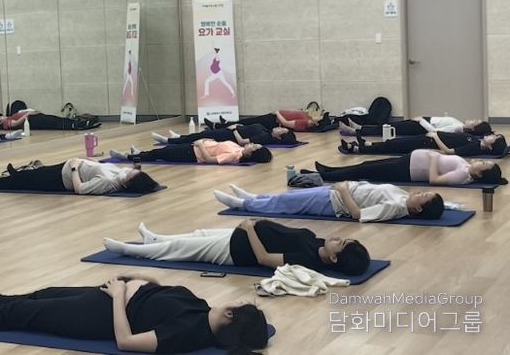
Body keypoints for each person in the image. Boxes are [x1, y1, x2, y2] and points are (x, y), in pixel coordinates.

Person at [0, 277, 269, 354]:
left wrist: (118, 296)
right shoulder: (201, 308)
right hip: (111, 295)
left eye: (235, 308)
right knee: (43, 294)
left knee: (24, 315)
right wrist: (142, 281)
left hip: (100, 315)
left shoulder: (186, 332)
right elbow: (162, 295)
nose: (231, 304)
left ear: (230, 317)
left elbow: (126, 341)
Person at [104, 219, 370, 275]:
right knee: (197, 233)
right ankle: (154, 238)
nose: (339, 238)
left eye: (342, 244)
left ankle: (129, 250)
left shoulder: (307, 259)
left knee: (181, 248)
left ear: (334, 259)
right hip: (241, 234)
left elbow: (264, 258)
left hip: (236, 251)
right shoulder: (319, 243)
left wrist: (251, 228)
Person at [213, 182, 445, 222]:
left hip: (333, 202)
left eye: (424, 196)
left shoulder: (395, 208)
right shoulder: (403, 197)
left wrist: (343, 190)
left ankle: (242, 205)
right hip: (337, 192)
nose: (421, 192)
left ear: (418, 208)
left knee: (286, 204)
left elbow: (359, 215)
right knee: (287, 197)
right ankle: (253, 197)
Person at [0, 157, 159, 195]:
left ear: (130, 181)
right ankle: (17, 174)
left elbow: (80, 189)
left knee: (23, 183)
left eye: (134, 172)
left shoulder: (109, 182)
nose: (131, 169)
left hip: (60, 179)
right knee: (33, 174)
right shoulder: (121, 174)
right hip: (64, 169)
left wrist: (75, 168)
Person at [313, 150, 506, 185]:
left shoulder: (462, 176)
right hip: (409, 161)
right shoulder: (465, 166)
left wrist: (433, 159)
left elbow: (434, 180)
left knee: (364, 171)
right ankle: (330, 171)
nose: (480, 161)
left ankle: (328, 176)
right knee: (366, 165)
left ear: (479, 174)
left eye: (483, 164)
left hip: (407, 171)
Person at [339, 132, 507, 157]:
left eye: (494, 138)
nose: (491, 135)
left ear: (490, 146)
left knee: (395, 146)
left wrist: (435, 137)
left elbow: (449, 151)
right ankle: (367, 144)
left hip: (428, 142)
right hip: (428, 138)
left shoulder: (473, 147)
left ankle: (358, 149)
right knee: (395, 143)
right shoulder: (475, 140)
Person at [109, 140, 273, 165]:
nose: (252, 144)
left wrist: (201, 145)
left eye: (254, 147)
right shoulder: (238, 148)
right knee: (162, 151)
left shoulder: (235, 156)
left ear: (251, 154)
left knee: (161, 154)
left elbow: (209, 159)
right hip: (194, 147)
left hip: (193, 154)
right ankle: (140, 153)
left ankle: (128, 157)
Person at [151, 123, 298, 147]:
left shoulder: (264, 137)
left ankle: (170, 140)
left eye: (282, 131)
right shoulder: (266, 130)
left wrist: (234, 130)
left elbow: (242, 142)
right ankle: (178, 137)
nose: (279, 128)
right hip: (229, 132)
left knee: (200, 137)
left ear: (279, 137)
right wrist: (239, 126)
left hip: (227, 136)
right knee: (200, 134)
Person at [339, 116, 493, 136]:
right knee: (389, 125)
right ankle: (359, 128)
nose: (472, 119)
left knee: (388, 129)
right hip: (424, 121)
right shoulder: (459, 124)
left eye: (475, 122)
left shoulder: (457, 128)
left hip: (421, 125)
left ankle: (356, 131)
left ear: (473, 129)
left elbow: (435, 131)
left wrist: (421, 121)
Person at [207, 110, 324, 132]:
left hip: (272, 121)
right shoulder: (308, 118)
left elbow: (286, 123)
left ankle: (218, 126)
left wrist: (277, 113)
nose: (318, 115)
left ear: (316, 123)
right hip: (272, 117)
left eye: (319, 117)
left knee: (248, 123)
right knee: (248, 121)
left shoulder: (304, 123)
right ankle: (226, 123)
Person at [0, 110, 100, 131]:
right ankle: (74, 125)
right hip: (33, 121)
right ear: (0, 122)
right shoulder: (6, 122)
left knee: (54, 119)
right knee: (54, 123)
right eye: (0, 117)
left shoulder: (10, 116)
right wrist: (28, 114)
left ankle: (75, 123)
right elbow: (16, 123)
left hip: (35, 117)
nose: (2, 116)